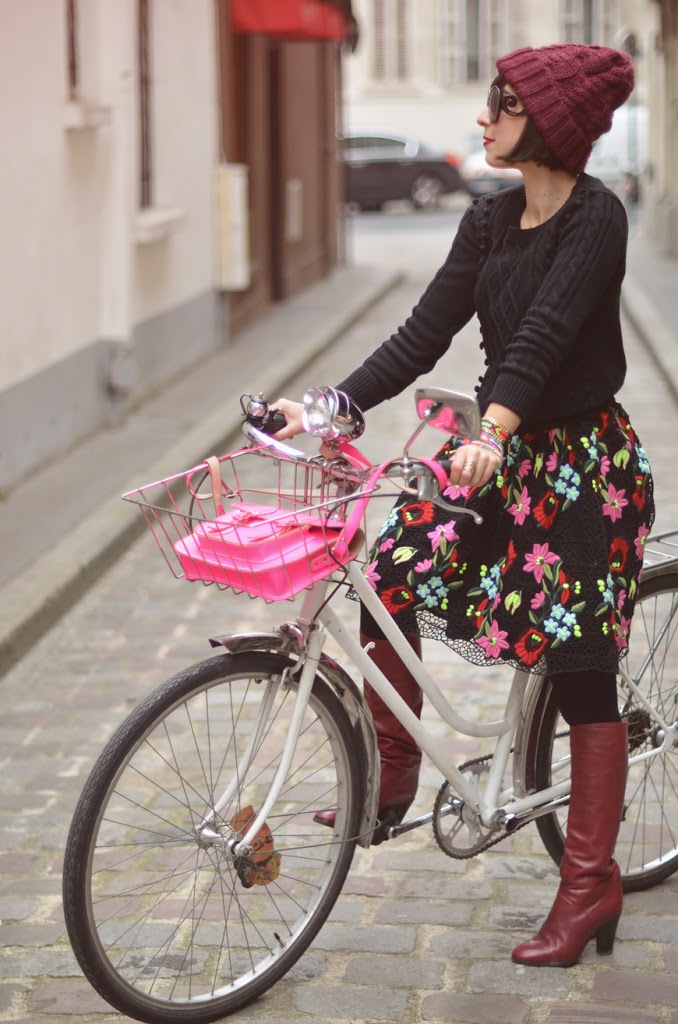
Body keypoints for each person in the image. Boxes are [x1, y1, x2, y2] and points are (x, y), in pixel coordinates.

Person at [272, 44, 655, 968]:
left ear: (550, 124)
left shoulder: (596, 220)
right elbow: (421, 332)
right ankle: (391, 770)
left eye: (505, 105)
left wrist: (493, 427)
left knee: (580, 662)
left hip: (574, 465)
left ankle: (588, 883)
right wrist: (330, 406)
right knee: (389, 573)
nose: (484, 121)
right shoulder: (488, 222)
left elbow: (545, 332)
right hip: (494, 455)